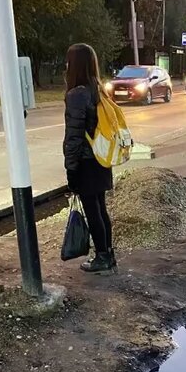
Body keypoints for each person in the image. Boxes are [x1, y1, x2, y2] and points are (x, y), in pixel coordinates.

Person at [62, 43, 117, 275]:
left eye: (68, 61)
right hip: (101, 158)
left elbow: (73, 136)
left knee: (93, 211)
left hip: (85, 161)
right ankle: (108, 253)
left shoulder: (77, 94)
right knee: (100, 209)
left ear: (74, 65)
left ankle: (102, 257)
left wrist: (70, 169)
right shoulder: (98, 89)